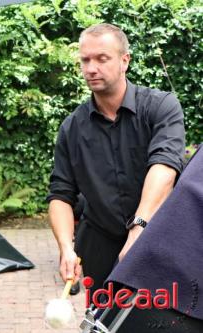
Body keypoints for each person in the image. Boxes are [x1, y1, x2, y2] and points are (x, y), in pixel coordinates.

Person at [46, 23, 185, 294]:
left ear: (125, 61)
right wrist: (65, 248)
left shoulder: (161, 107)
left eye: (102, 58)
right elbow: (60, 195)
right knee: (104, 321)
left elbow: (165, 166)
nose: (91, 68)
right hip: (99, 247)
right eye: (85, 60)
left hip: (160, 242)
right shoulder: (72, 127)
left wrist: (138, 229)